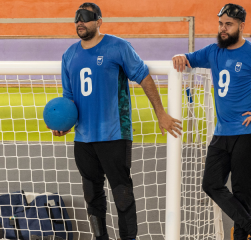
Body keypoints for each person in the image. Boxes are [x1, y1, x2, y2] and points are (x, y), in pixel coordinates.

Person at [50, 2, 182, 240]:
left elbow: (144, 77)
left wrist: (160, 113)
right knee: (92, 195)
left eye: (86, 17)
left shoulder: (118, 46)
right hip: (83, 138)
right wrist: (64, 125)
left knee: (122, 194)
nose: (80, 22)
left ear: (99, 21)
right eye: (77, 18)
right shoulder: (69, 55)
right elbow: (69, 98)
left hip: (114, 135)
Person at [172, 3, 251, 240]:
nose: (223, 29)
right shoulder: (212, 51)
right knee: (211, 184)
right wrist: (180, 57)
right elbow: (188, 59)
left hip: (249, 131)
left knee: (241, 193)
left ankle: (246, 233)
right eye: (220, 24)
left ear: (241, 26)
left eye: (228, 24)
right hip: (222, 133)